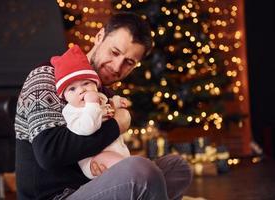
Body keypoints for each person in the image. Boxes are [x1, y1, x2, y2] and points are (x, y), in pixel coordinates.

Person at [15, 12, 192, 200]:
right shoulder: (47, 77)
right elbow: (48, 154)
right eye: (114, 53)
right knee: (140, 173)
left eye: (129, 62)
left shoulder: (106, 96)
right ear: (99, 37)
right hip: (57, 196)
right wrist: (117, 125)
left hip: (96, 188)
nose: (117, 67)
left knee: (176, 168)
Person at [53, 45, 130, 179]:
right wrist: (92, 104)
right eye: (72, 89)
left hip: (116, 149)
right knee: (129, 170)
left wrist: (116, 102)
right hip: (94, 158)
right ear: (64, 96)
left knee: (134, 168)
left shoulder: (100, 98)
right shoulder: (71, 111)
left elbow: (109, 108)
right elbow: (88, 128)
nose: (81, 90)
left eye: (86, 83)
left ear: (96, 85)